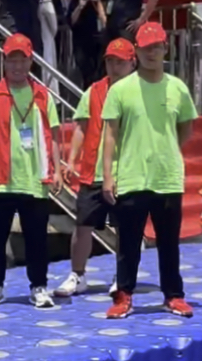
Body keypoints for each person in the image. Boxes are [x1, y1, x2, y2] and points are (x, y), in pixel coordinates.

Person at [101, 22, 196, 319]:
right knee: (128, 244)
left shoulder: (178, 88)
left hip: (167, 177)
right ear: (137, 52)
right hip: (131, 176)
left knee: (169, 243)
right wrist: (108, 175)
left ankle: (174, 295)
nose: (152, 53)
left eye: (157, 47)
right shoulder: (121, 89)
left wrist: (166, 151)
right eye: (145, 48)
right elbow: (110, 135)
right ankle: (124, 296)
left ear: (165, 49)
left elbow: (185, 129)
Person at [0, 33, 64, 308]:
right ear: (4, 61)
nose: (16, 66)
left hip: (35, 180)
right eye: (11, 60)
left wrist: (58, 170)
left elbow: (54, 135)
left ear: (30, 62)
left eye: (21, 60)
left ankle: (39, 286)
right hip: (1, 179)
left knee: (37, 239)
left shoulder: (43, 96)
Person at [54, 37, 135, 298]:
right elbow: (81, 126)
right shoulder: (94, 91)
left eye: (120, 62)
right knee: (83, 226)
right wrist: (72, 159)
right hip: (93, 171)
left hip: (127, 173)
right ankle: (78, 275)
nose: (114, 67)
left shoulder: (140, 91)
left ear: (132, 63)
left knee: (125, 227)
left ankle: (122, 278)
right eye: (110, 61)